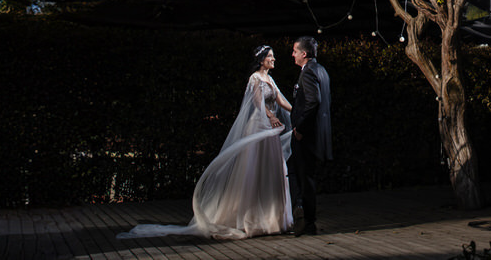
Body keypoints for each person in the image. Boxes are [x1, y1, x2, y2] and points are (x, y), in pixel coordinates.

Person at [118, 45, 294, 240]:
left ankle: (271, 219)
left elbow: (280, 100)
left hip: (270, 130)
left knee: (270, 170)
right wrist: (270, 116)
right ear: (261, 60)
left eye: (273, 56)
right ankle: (252, 219)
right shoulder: (255, 78)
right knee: (254, 170)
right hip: (258, 127)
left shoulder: (270, 79)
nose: (273, 59)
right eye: (270, 56)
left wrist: (296, 111)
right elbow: (257, 102)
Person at [287, 35, 331, 237]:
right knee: (305, 175)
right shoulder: (321, 70)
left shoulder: (308, 73)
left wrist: (300, 129)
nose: (293, 55)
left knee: (303, 176)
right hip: (317, 135)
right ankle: (305, 217)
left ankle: (305, 219)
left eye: (295, 51)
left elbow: (313, 102)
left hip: (307, 136)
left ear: (304, 54)